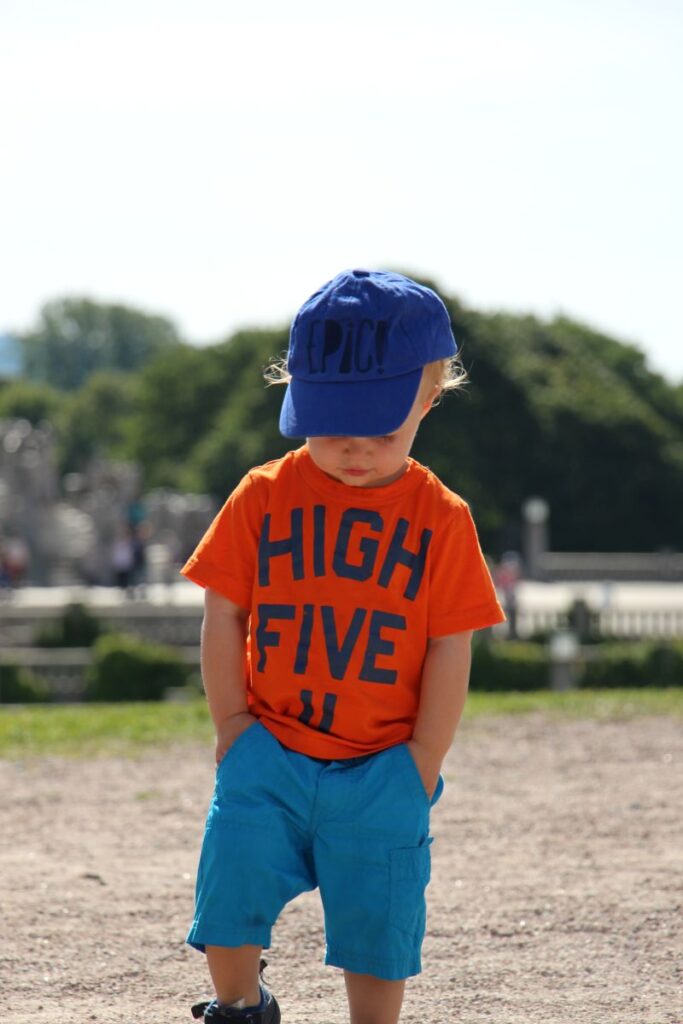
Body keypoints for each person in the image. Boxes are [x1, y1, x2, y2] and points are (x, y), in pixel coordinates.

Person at [181, 269, 505, 1024]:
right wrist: (232, 727)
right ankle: (240, 1006)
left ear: (431, 396)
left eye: (382, 428)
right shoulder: (261, 494)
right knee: (225, 898)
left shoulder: (441, 517)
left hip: (384, 765)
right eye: (331, 426)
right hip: (270, 753)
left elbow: (449, 647)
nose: (355, 448)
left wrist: (424, 757)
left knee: (377, 928)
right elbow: (222, 613)